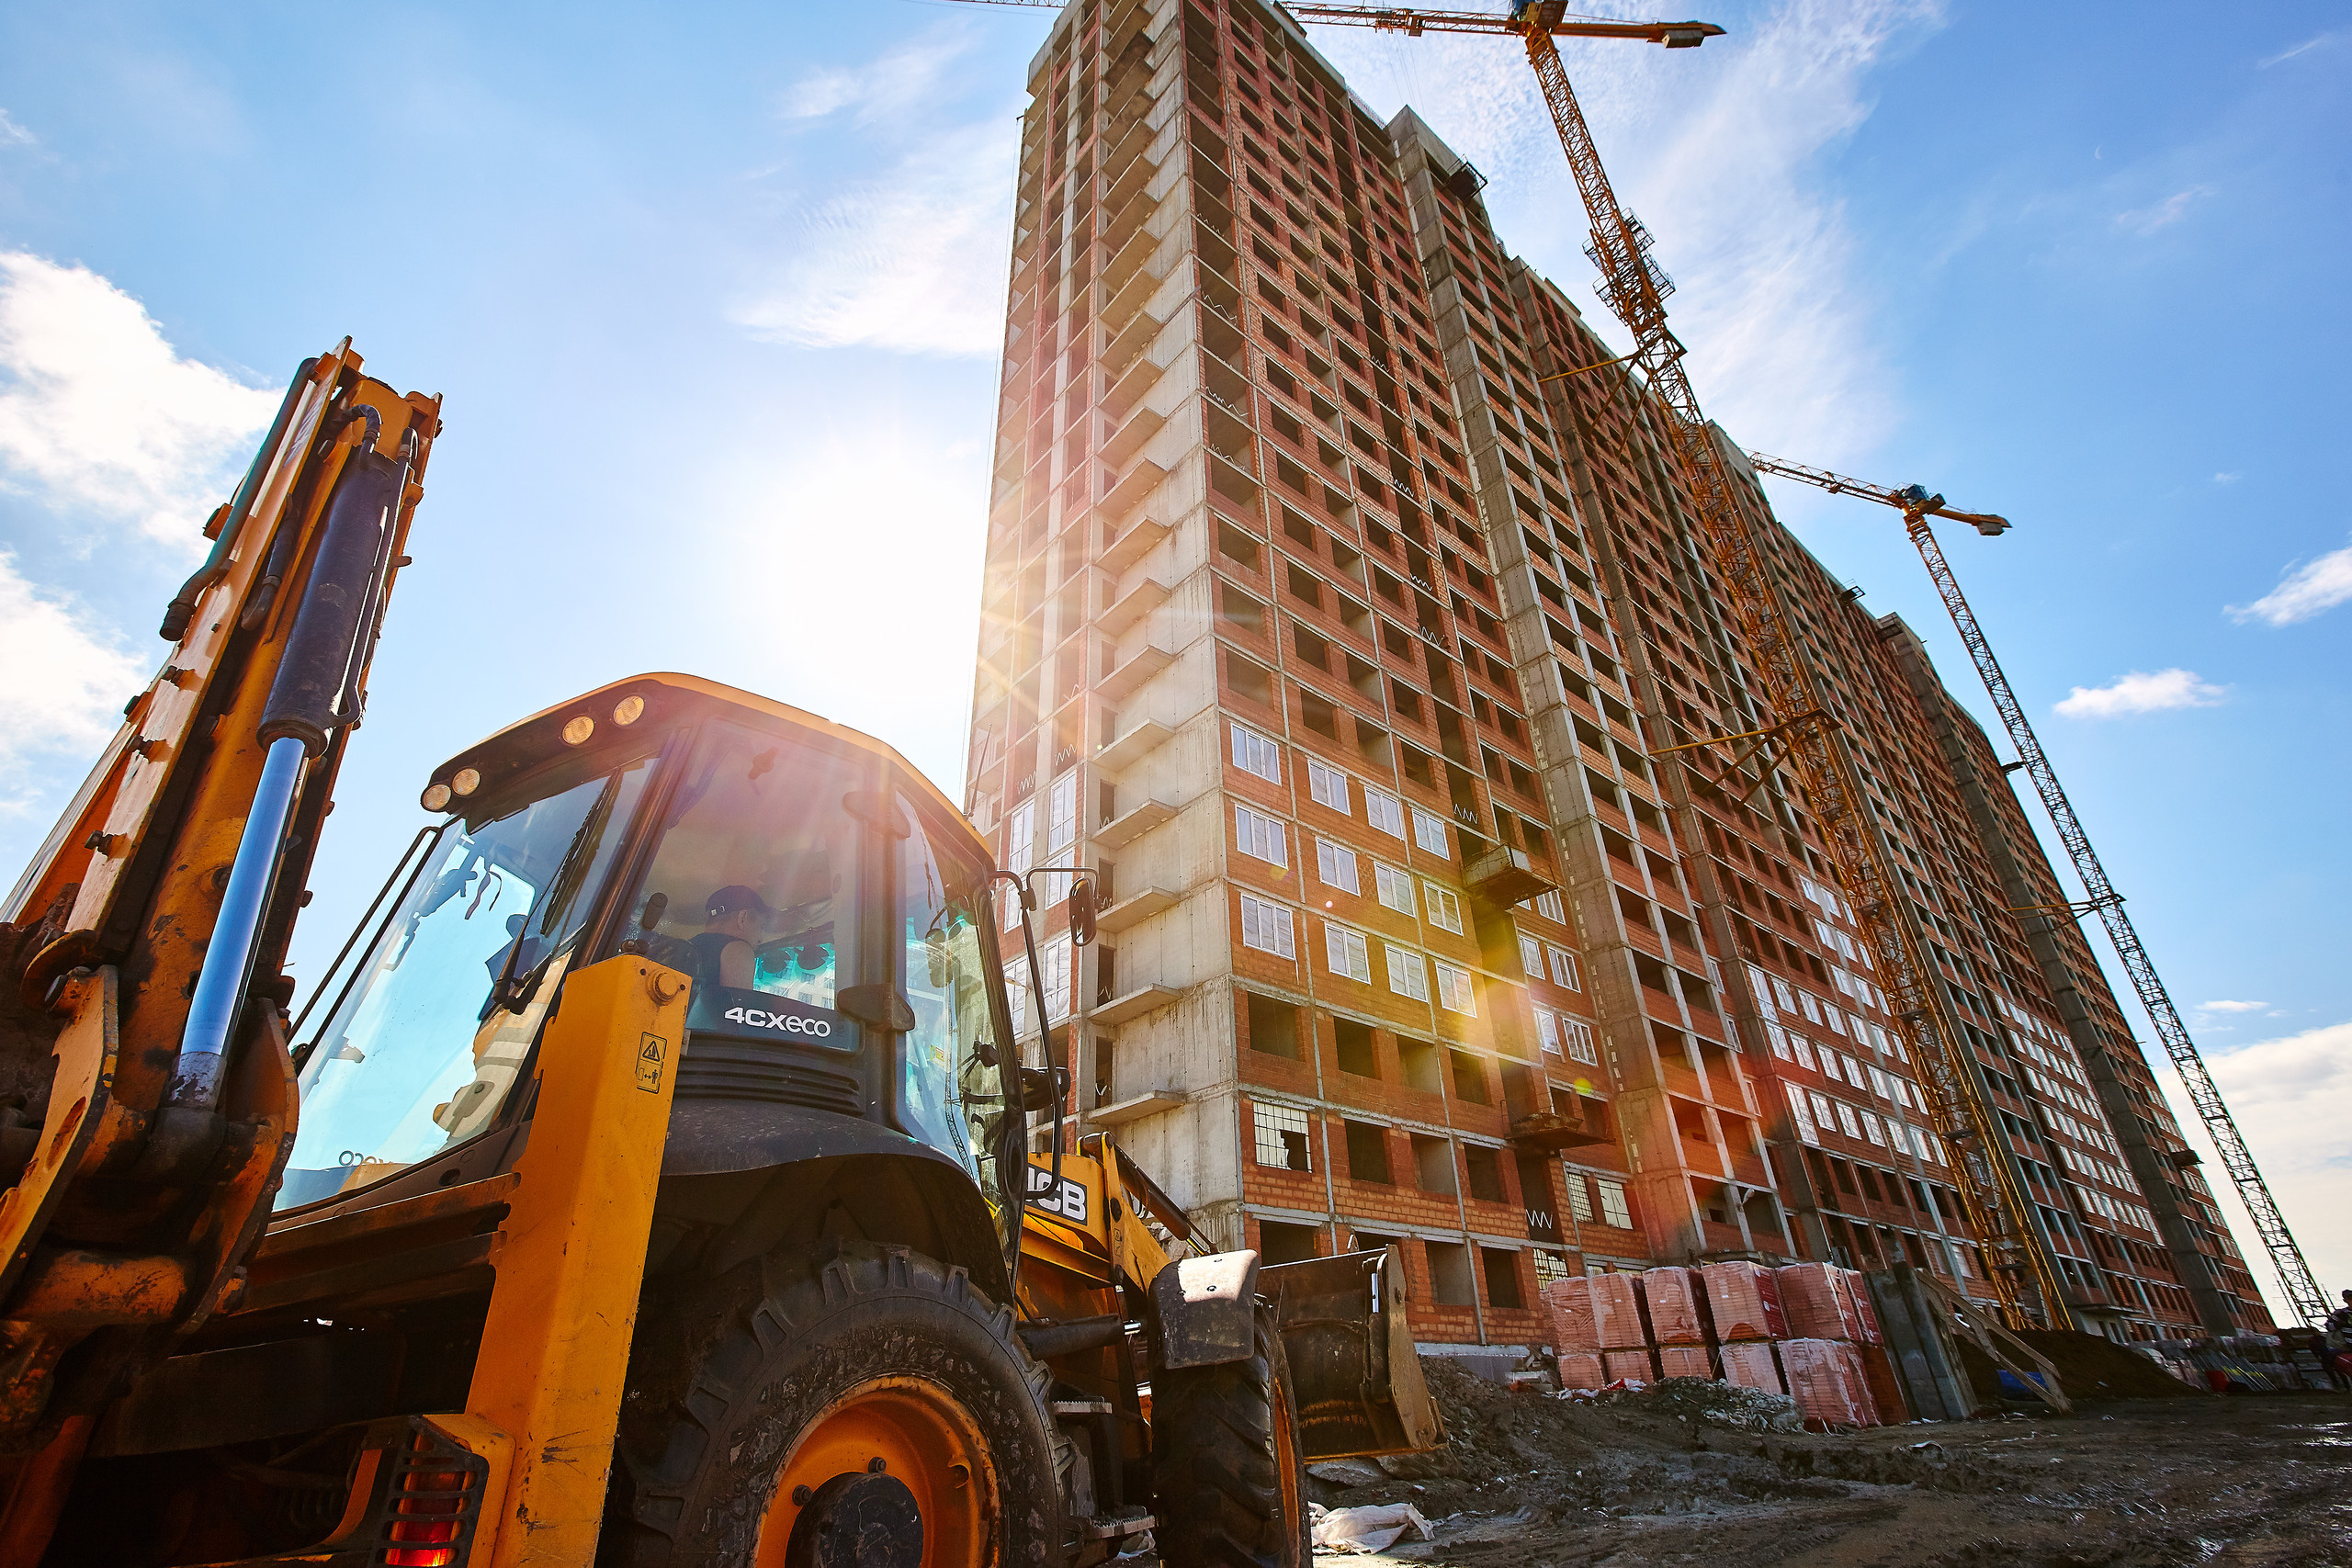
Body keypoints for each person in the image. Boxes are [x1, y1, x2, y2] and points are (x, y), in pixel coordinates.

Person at [690, 886, 772, 993]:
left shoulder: (689, 946)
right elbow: (738, 1006)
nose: (761, 939)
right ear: (742, 918)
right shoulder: (738, 949)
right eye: (761, 927)